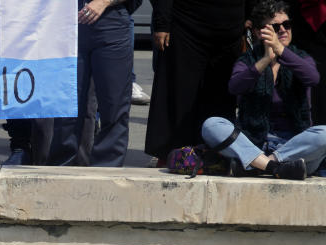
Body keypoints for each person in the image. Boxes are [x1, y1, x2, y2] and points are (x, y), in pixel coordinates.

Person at [202, 0, 324, 179]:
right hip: (254, 142)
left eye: (287, 24)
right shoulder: (249, 60)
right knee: (211, 125)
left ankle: (260, 165)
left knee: (324, 134)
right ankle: (276, 168)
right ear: (260, 32)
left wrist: (281, 51)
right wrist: (265, 60)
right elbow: (235, 87)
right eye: (276, 27)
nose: (283, 30)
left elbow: (312, 78)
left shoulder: (300, 57)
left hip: (293, 146)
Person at [145, 0, 247, 161]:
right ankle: (172, 154)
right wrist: (162, 23)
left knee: (220, 97)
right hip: (186, 24)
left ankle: (215, 155)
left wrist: (252, 17)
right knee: (180, 93)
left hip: (230, 29)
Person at [51, 0, 139, 167]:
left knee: (114, 105)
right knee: (67, 105)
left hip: (111, 20)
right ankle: (61, 168)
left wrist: (104, 2)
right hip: (67, 22)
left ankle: (107, 169)